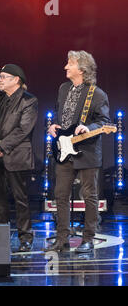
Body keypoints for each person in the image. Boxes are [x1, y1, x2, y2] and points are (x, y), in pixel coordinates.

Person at [45, 50, 110, 253]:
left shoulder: (97, 94)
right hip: (64, 150)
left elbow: (104, 122)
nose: (66, 67)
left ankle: (88, 239)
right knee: (60, 195)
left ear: (81, 69)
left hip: (87, 152)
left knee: (89, 195)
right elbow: (60, 113)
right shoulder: (63, 88)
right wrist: (54, 125)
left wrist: (88, 128)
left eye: (70, 64)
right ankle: (62, 239)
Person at [0, 64, 38, 252]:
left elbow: (23, 130)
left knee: (20, 199)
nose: (0, 79)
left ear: (16, 80)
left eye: (4, 76)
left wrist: (2, 146)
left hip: (17, 156)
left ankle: (25, 237)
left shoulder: (28, 101)